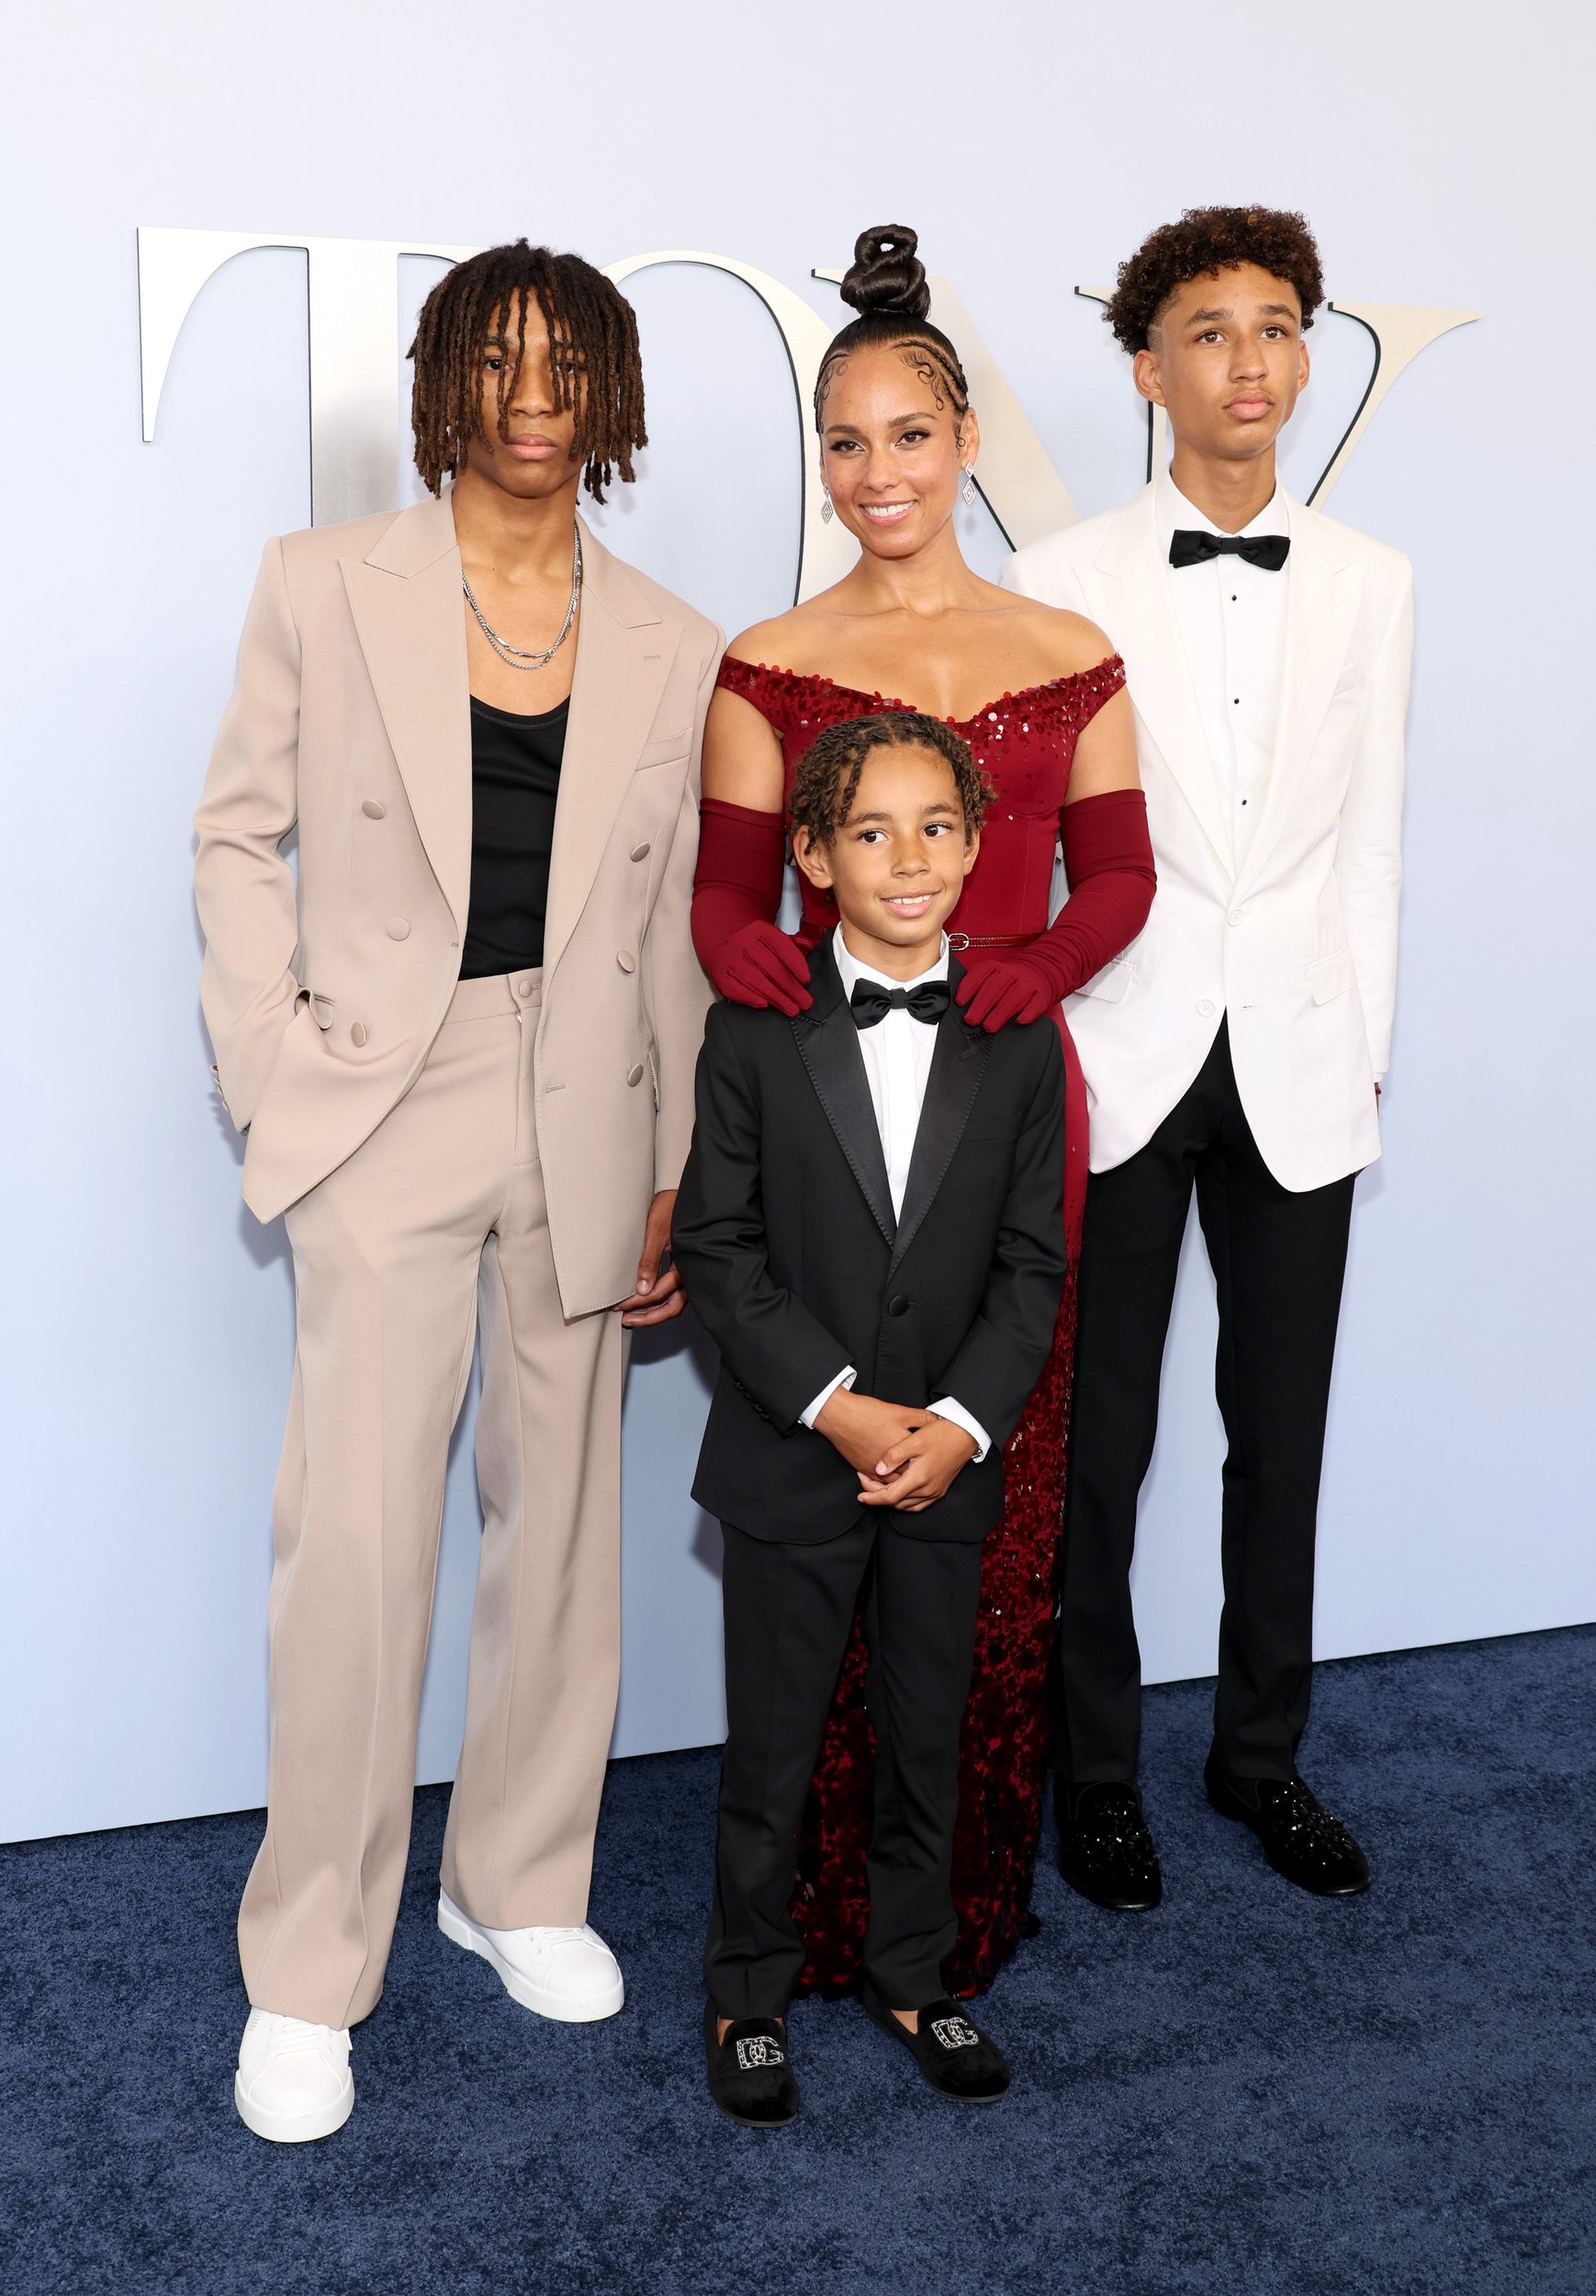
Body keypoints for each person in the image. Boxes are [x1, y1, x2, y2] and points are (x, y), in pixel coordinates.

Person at [195, 241, 722, 2142]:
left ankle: (515, 1881)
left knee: (562, 1524)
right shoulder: (321, 583)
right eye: (492, 360)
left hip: (581, 1098)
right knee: (353, 1545)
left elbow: (666, 925)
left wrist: (674, 1164)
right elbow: (236, 827)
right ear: (440, 381)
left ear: (607, 391)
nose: (527, 394)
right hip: (380, 1096)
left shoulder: (671, 631)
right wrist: (276, 1054)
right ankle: (307, 1968)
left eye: (562, 363)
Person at [690, 224, 1155, 1994]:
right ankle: (791, 1921)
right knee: (822, 1527)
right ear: (820, 461)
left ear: (964, 442)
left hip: (1006, 1128)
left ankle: (944, 1916)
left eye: (907, 434)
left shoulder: (1068, 644)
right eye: (843, 441)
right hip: (825, 1142)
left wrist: (1039, 966)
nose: (876, 473)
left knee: (988, 1522)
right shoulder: (767, 657)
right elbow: (729, 904)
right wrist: (758, 962)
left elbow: (1119, 874)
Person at [1004, 206, 1412, 1908]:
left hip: (1300, 1067)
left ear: (1304, 355)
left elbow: (1370, 839)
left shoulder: (1377, 582)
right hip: (1120, 1053)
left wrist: (1360, 1058)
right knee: (1098, 1448)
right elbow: (1032, 848)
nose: (1249, 361)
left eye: (1275, 327)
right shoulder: (1062, 577)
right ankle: (1093, 1778)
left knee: (1283, 1435)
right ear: (1146, 365)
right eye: (1211, 330)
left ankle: (1260, 1760)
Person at [674, 712, 1068, 2123]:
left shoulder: (1017, 1038)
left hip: (948, 1467)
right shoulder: (753, 1029)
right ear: (812, 855)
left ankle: (916, 1973)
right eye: (871, 832)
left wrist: (958, 1423)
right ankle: (747, 1988)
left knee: (928, 1733)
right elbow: (719, 1251)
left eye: (937, 828)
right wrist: (839, 1408)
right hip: (798, 1458)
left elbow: (1033, 1263)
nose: (909, 860)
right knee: (773, 1749)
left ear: (976, 846)